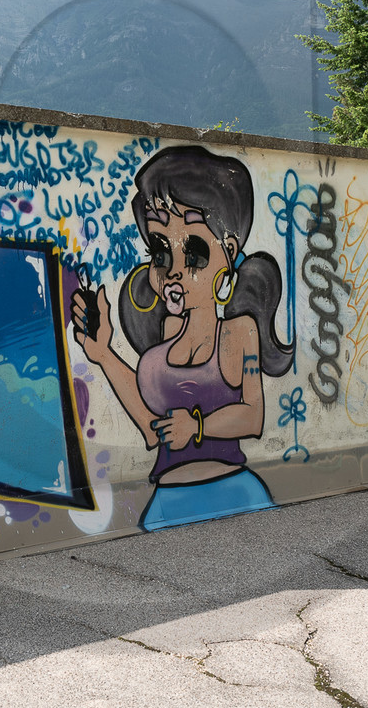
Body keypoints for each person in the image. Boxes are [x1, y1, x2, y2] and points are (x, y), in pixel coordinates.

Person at [70, 145, 292, 530]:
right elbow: (150, 428)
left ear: (229, 250)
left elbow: (254, 416)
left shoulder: (239, 332)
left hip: (233, 491)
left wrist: (197, 427)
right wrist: (102, 352)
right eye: (159, 252)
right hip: (166, 502)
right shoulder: (165, 336)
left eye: (193, 252)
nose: (172, 270)